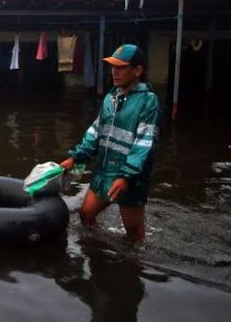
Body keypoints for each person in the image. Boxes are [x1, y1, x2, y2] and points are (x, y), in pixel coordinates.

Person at [61, 44, 160, 241]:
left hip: (130, 178)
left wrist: (126, 176)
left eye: (121, 67)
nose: (114, 72)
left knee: (134, 234)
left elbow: (144, 144)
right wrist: (75, 157)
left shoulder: (149, 101)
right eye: (112, 67)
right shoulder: (110, 98)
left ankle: (133, 267)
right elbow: (95, 132)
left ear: (137, 70)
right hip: (105, 171)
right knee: (86, 215)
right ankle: (102, 251)